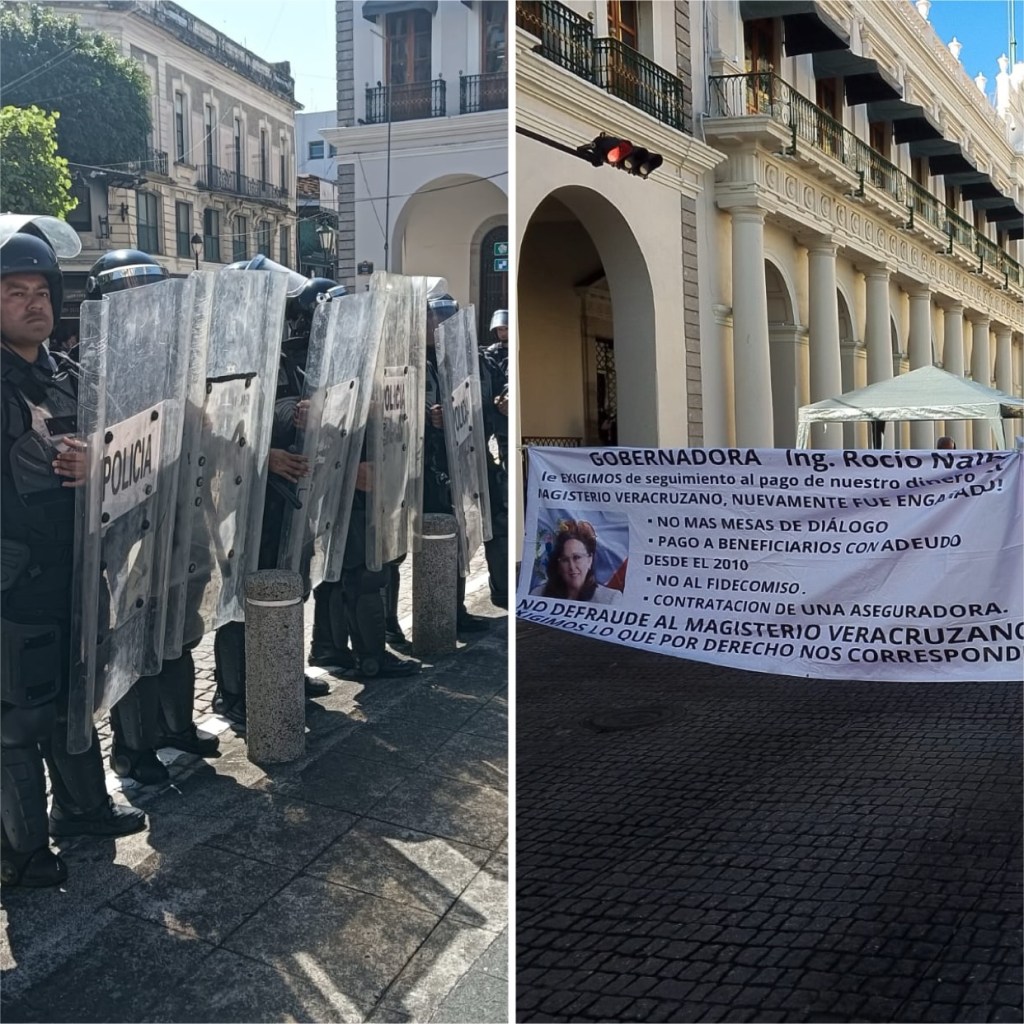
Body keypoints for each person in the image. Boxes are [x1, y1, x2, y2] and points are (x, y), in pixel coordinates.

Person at [1, 220, 146, 888]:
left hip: (78, 570)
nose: (34, 303)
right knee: (16, 720)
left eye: (41, 290)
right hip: (14, 581)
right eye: (14, 291)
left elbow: (125, 435)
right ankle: (22, 849)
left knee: (72, 699)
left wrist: (106, 456)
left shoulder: (70, 373)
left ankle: (83, 808)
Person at [84, 249, 220, 784]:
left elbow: (198, 434)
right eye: (131, 298)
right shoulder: (91, 372)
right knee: (132, 633)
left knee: (181, 628)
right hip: (126, 526)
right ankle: (132, 749)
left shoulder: (174, 361)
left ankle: (175, 726)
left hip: (181, 516)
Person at [213, 270, 335, 723]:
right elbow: (214, 435)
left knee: (285, 587)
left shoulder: (283, 360)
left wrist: (309, 415)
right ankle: (233, 694)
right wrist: (265, 456)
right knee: (240, 598)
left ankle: (283, 669)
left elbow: (288, 411)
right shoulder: (223, 358)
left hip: (285, 498)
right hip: (240, 500)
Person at [424, 289, 490, 632]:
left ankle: (456, 607)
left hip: (457, 459)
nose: (441, 323)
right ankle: (433, 613)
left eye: (447, 316)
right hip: (428, 461)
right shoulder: (419, 361)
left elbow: (475, 400)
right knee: (436, 538)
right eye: (436, 317)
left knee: (459, 535)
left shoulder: (457, 358)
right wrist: (428, 416)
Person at [480, 309, 509, 608]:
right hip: (491, 423)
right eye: (499, 330)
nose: (502, 334)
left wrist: (506, 395)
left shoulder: (513, 352)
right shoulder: (487, 355)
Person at [530, 520, 623, 604]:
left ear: (589, 560)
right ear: (558, 566)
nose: (572, 566)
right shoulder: (538, 595)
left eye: (577, 557)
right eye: (565, 560)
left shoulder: (611, 600)